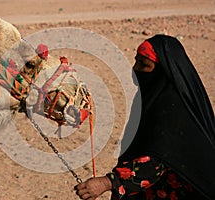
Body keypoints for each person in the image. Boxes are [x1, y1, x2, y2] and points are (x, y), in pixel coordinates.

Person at [74, 34, 215, 200]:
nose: (135, 69)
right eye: (136, 61)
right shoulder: (151, 97)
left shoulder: (173, 107)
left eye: (144, 65)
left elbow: (156, 161)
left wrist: (107, 182)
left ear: (162, 71)